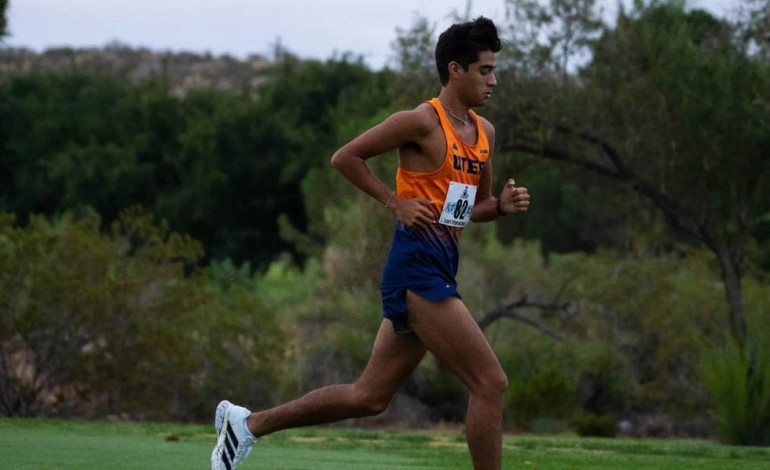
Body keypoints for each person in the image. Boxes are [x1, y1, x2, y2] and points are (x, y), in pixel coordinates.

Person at [211, 16, 530, 470]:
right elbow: (346, 157)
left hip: (440, 267)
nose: (493, 80)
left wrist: (502, 206)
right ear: (456, 70)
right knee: (490, 382)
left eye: (495, 70)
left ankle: (247, 425)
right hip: (415, 269)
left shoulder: (485, 133)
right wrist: (394, 202)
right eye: (485, 70)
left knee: (369, 397)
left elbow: (473, 208)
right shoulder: (420, 122)